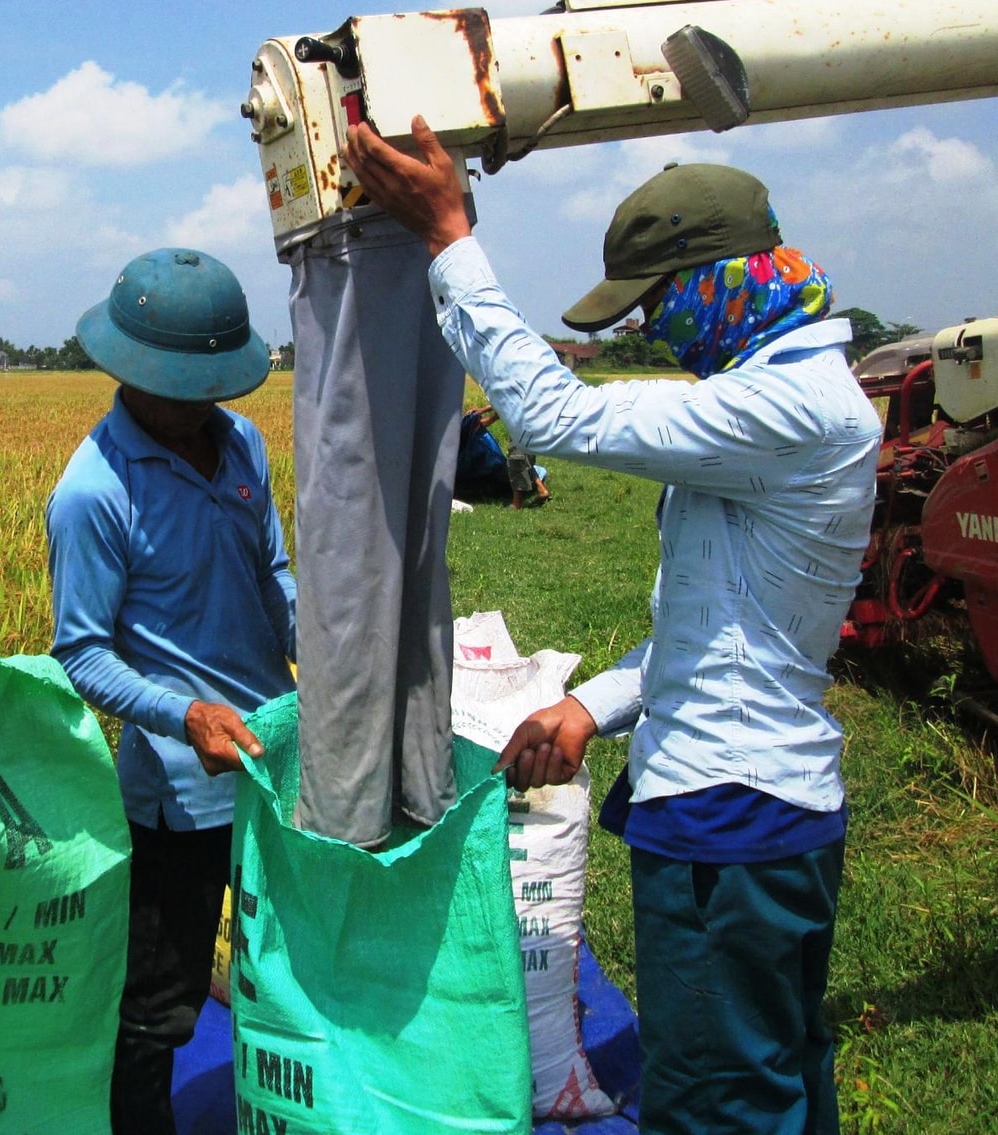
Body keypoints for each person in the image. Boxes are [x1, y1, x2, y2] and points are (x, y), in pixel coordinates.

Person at [345, 119, 879, 1135]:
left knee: (714, 1098)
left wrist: (450, 233)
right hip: (765, 806)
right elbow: (718, 639)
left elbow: (556, 417)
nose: (661, 329)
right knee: (774, 1075)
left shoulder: (788, 408)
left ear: (717, 279)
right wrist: (587, 708)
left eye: (660, 302)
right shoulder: (787, 397)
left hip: (730, 818)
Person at [46, 247, 297, 1135]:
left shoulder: (243, 446)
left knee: (286, 971)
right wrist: (182, 714)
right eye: (182, 385)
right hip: (176, 797)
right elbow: (80, 654)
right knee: (159, 1005)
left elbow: (272, 575)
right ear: (130, 370)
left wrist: (332, 648)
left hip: (271, 768)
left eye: (213, 385)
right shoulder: (94, 492)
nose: (202, 404)